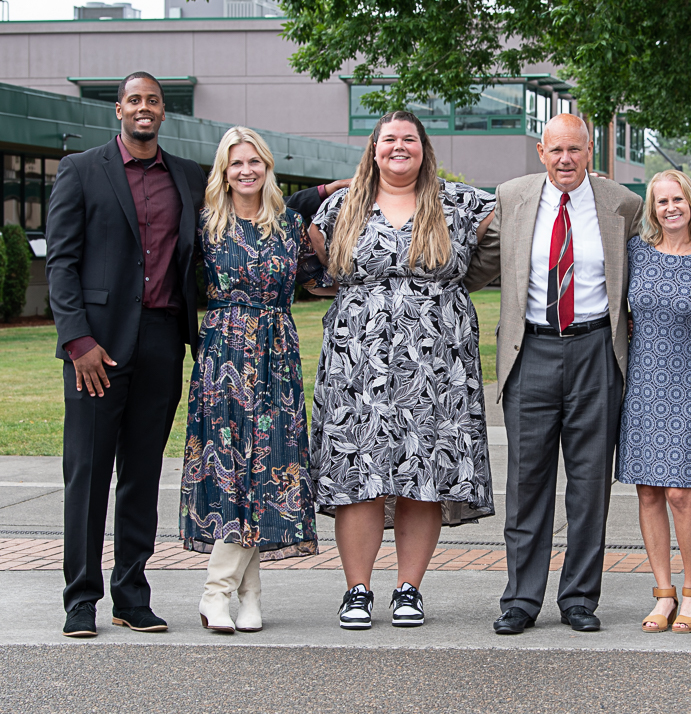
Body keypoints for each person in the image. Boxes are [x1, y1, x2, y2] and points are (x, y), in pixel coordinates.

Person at [309, 110, 497, 629]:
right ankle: (357, 590)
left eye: (408, 139)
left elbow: (522, 212)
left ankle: (409, 588)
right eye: (388, 139)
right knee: (359, 471)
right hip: (356, 360)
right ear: (373, 149)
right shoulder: (341, 208)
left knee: (423, 471)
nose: (398, 147)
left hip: (437, 361)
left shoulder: (459, 203)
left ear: (424, 148)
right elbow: (318, 267)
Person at [464, 114, 643, 635]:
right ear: (541, 151)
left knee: (589, 487)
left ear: (590, 152)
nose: (565, 159)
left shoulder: (622, 205)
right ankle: (521, 599)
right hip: (532, 351)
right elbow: (480, 264)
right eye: (556, 150)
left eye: (576, 150)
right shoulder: (512, 196)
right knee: (527, 482)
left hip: (596, 352)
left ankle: (580, 599)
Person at [46, 71, 206, 637]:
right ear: (118, 109)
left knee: (141, 474)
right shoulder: (82, 170)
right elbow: (61, 264)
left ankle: (131, 595)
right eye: (134, 100)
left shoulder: (188, 178)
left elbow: (246, 203)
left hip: (163, 342)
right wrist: (77, 341)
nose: (144, 108)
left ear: (164, 112)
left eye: (153, 101)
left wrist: (315, 197)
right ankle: (80, 600)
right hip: (97, 348)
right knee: (86, 474)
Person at [180, 127, 332, 633]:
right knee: (230, 468)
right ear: (223, 171)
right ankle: (218, 593)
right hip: (224, 352)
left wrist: (334, 207)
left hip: (276, 353)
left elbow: (322, 280)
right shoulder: (205, 225)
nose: (246, 170)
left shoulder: (289, 224)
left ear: (267, 167)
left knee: (266, 468)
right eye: (236, 163)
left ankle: (246, 595)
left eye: (255, 162)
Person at [618, 170, 691, 633]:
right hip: (641, 384)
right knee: (648, 491)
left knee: (681, 492)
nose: (670, 208)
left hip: (688, 385)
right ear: (652, 208)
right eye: (661, 201)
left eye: (677, 199)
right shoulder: (635, 253)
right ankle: (663, 592)